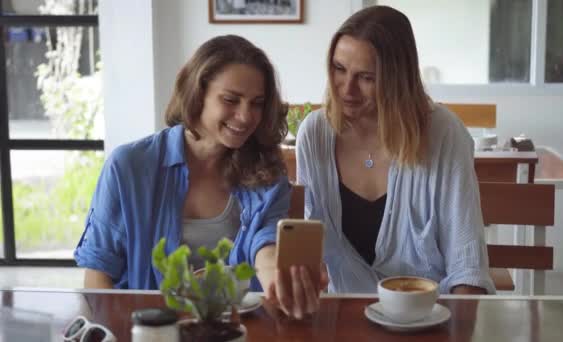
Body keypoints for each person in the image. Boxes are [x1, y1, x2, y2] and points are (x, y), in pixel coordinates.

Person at [75, 35, 326, 318]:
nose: (246, 116)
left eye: (257, 103)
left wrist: (278, 279)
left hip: (237, 329)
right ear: (197, 93)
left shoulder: (267, 173)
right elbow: (98, 273)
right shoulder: (129, 166)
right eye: (231, 99)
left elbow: (266, 243)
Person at [296, 6, 495, 294]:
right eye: (339, 69)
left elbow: (468, 269)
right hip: (342, 321)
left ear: (397, 79)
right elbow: (308, 249)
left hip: (427, 318)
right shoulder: (314, 134)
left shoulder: (445, 134)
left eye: (366, 77)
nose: (346, 90)